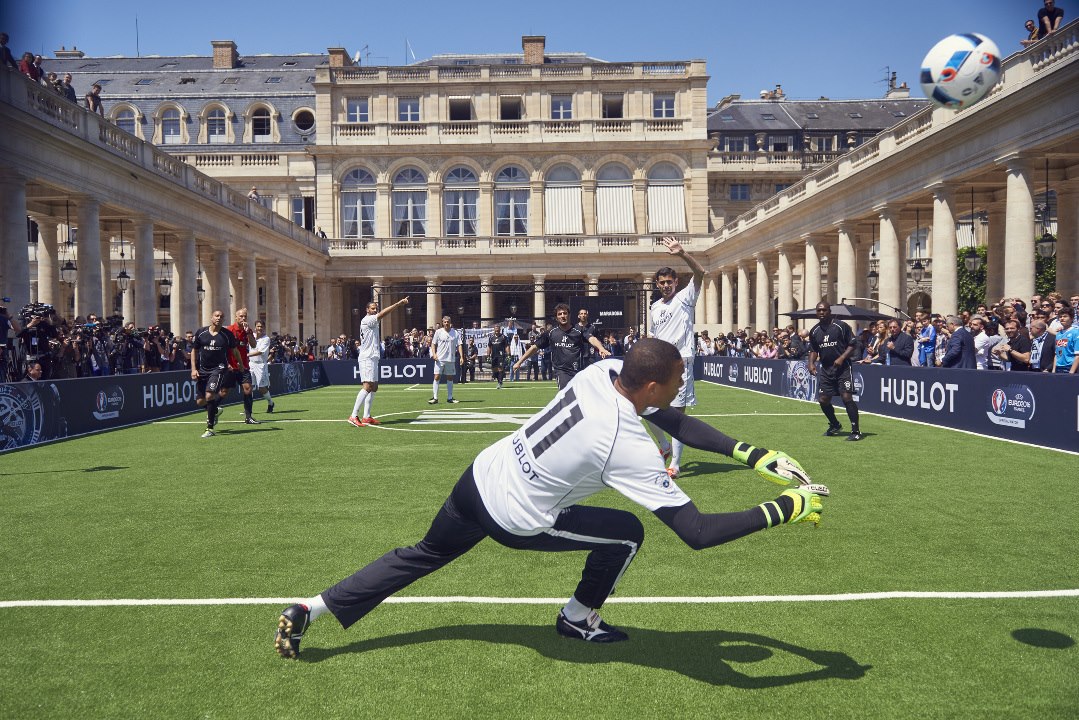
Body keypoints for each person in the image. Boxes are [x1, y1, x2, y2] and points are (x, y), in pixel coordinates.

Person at [273, 338, 826, 659]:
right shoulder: (623, 440)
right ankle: (577, 618)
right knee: (628, 534)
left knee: (422, 553)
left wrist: (753, 455)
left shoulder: (605, 370)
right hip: (516, 515)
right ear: (652, 384)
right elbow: (697, 533)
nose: (682, 385)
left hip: (480, 476)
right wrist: (787, 507)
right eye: (679, 377)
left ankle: (310, 609)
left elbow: (673, 419)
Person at [645, 235, 707, 478]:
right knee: (645, 407)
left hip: (681, 362)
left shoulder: (685, 297)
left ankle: (676, 464)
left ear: (676, 281)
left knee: (677, 414)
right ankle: (665, 446)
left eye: (669, 281)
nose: (665, 285)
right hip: (659, 364)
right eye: (661, 282)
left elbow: (701, 272)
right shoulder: (655, 306)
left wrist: (682, 253)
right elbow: (652, 335)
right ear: (657, 284)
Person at [513, 304, 611, 391]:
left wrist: (601, 348)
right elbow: (534, 347)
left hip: (578, 370)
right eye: (560, 314)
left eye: (565, 313)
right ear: (556, 318)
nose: (563, 316)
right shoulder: (551, 333)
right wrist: (519, 362)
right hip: (562, 371)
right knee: (567, 395)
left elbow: (592, 338)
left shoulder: (578, 331)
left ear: (569, 315)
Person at [348, 296, 409, 427]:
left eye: (376, 308)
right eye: (372, 308)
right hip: (367, 357)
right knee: (367, 386)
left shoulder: (372, 320)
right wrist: (398, 303)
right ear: (367, 310)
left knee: (374, 386)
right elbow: (383, 314)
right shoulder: (367, 320)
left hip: (373, 356)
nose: (375, 310)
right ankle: (353, 415)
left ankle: (366, 416)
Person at [808, 302, 863, 441]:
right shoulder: (814, 331)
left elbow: (852, 344)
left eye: (824, 310)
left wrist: (842, 357)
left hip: (843, 368)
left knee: (846, 397)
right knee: (823, 399)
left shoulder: (840, 326)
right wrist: (811, 363)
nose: (821, 312)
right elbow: (814, 350)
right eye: (819, 310)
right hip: (826, 369)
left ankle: (856, 431)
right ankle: (835, 424)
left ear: (829, 311)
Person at [190, 309, 238, 439]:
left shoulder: (227, 335)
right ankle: (215, 410)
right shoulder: (201, 333)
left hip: (219, 368)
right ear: (211, 318)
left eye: (221, 317)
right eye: (216, 316)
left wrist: (240, 364)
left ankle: (209, 428)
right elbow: (194, 351)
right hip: (203, 369)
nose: (219, 318)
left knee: (210, 395)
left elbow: (235, 350)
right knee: (200, 401)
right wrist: (194, 369)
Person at [223, 308, 262, 425]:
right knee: (224, 392)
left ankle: (248, 416)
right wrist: (227, 363)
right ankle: (212, 411)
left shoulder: (248, 331)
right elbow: (223, 349)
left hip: (243, 366)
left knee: (248, 388)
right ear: (236, 317)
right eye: (241, 316)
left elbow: (254, 345)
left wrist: (249, 333)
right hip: (231, 366)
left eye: (245, 316)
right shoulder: (229, 330)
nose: (243, 318)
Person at [428, 315, 463, 404]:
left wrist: (462, 357)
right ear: (442, 323)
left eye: (448, 322)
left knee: (450, 378)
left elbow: (459, 345)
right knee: (436, 377)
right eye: (445, 322)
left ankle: (450, 398)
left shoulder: (455, 333)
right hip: (440, 359)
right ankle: (435, 398)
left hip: (450, 359)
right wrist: (434, 354)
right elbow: (433, 344)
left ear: (450, 323)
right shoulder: (438, 332)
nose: (446, 323)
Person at [247, 320, 275, 413]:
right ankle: (248, 408)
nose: (259, 328)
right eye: (258, 326)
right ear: (255, 327)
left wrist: (247, 355)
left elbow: (260, 351)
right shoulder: (252, 336)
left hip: (260, 365)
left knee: (261, 387)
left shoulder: (266, 339)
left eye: (261, 327)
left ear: (264, 327)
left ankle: (270, 403)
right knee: (248, 386)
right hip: (251, 364)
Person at [1053, 307, 1079, 374]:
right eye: (1060, 316)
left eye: (1065, 316)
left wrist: (1071, 372)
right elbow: (1056, 354)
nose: (1062, 318)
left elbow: (1077, 355)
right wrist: (1053, 370)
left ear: (1071, 318)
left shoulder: (1075, 332)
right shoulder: (1058, 334)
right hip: (1058, 367)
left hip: (1069, 367)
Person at [487, 322, 509, 389]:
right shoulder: (491, 337)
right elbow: (489, 346)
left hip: (501, 355)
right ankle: (499, 379)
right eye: (495, 330)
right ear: (494, 330)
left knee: (500, 368)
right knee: (494, 369)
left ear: (500, 330)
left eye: (498, 330)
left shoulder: (503, 337)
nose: (497, 331)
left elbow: (507, 346)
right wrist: (488, 355)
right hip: (493, 355)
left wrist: (508, 355)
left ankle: (500, 382)